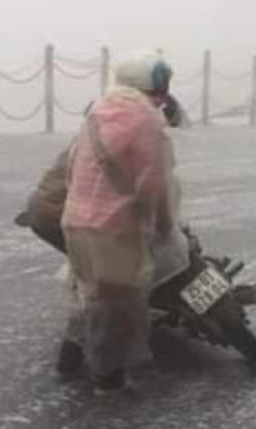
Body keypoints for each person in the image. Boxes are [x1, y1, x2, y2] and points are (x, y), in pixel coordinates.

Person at [59, 54, 180, 393]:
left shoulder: (96, 112)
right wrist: (162, 227)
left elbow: (70, 167)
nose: (162, 93)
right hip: (115, 228)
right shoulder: (147, 121)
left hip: (75, 221)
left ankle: (69, 357)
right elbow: (152, 184)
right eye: (161, 85)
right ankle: (107, 377)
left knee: (88, 292)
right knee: (117, 307)